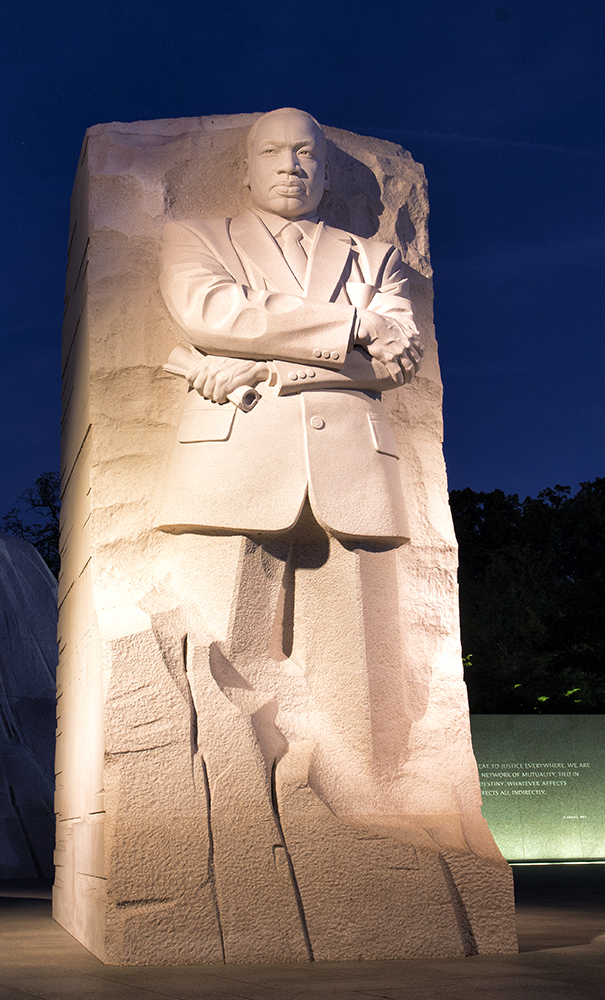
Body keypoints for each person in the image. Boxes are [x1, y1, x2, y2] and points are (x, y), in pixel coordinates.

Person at [155, 108, 459, 848]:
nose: (292, 165)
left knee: (358, 663)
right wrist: (348, 327)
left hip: (352, 468)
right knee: (222, 644)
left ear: (324, 170)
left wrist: (264, 351)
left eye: (306, 155)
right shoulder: (195, 238)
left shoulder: (377, 257)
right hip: (235, 461)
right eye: (274, 152)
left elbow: (398, 362)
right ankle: (226, 817)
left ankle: (368, 807)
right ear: (247, 167)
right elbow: (210, 311)